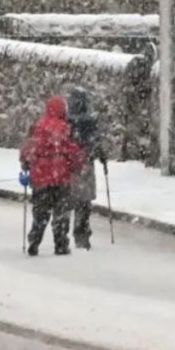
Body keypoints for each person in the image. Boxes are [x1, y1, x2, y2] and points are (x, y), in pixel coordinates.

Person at [20, 96, 85, 256]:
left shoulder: (37, 127)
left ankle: (34, 240)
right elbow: (73, 152)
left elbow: (28, 149)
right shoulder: (65, 129)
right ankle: (61, 243)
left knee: (40, 213)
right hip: (61, 178)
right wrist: (76, 165)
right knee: (61, 214)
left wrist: (26, 163)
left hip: (40, 178)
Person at [65, 86, 108, 250]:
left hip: (69, 168)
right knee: (83, 203)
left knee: (68, 201)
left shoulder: (66, 122)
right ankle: (81, 235)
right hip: (85, 167)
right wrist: (101, 157)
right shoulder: (90, 123)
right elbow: (96, 144)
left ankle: (62, 233)